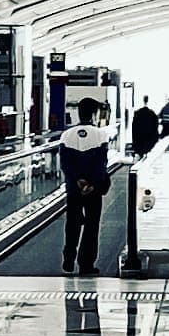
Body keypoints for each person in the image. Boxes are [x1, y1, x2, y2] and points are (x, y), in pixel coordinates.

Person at [56, 96, 116, 274]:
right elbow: (100, 163)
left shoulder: (66, 135)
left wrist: (78, 181)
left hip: (74, 188)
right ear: (95, 114)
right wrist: (91, 184)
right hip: (93, 189)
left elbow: (65, 164)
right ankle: (86, 263)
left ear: (78, 112)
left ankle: (68, 258)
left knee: (72, 223)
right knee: (91, 225)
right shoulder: (101, 135)